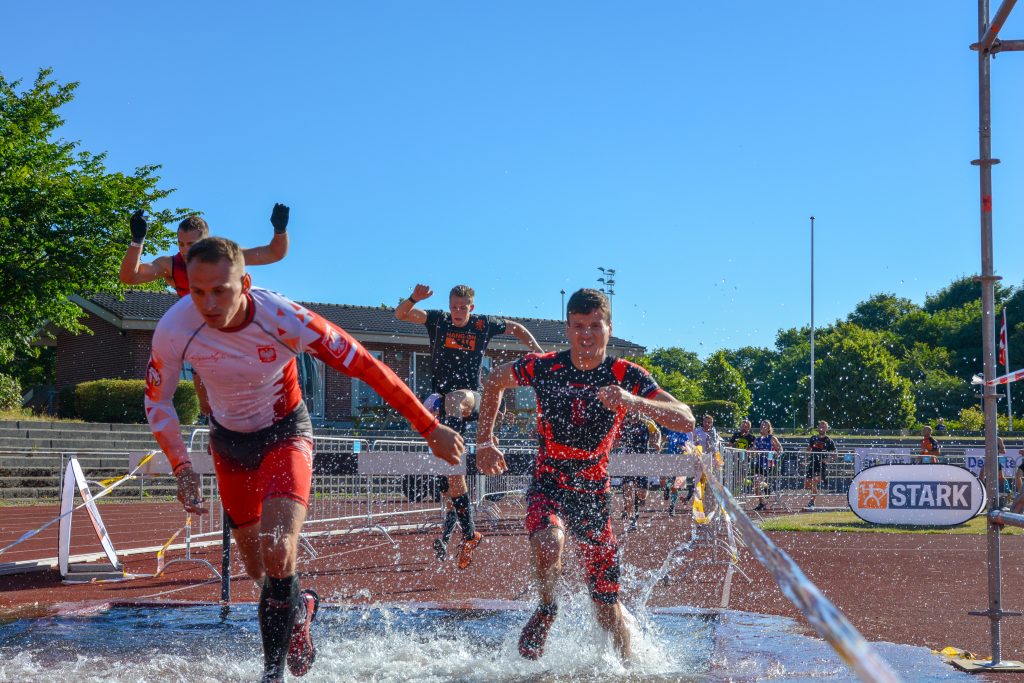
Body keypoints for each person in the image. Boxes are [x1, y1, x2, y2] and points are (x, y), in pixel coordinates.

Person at [144, 237, 463, 683]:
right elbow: (157, 402)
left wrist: (429, 427)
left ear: (246, 283)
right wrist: (181, 467)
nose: (209, 304)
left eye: (221, 290)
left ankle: (271, 674)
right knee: (258, 569)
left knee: (278, 548)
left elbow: (365, 365)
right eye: (198, 291)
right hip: (229, 444)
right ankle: (301, 609)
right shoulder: (175, 327)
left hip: (285, 433)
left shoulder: (283, 317)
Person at [474, 288, 695, 661]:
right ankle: (546, 608)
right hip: (550, 482)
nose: (587, 335)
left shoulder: (625, 374)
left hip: (593, 493)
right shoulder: (545, 366)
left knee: (607, 607)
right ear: (568, 328)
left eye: (595, 326)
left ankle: (629, 667)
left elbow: (686, 419)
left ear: (609, 328)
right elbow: (495, 379)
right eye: (579, 326)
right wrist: (485, 442)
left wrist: (631, 401)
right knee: (549, 543)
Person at [395, 283, 543, 569]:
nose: (458, 313)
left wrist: (536, 351)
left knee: (455, 398)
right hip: (443, 405)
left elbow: (515, 328)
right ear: (449, 306)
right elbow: (401, 315)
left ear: (471, 308)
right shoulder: (438, 320)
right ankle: (469, 532)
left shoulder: (481, 324)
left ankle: (453, 453)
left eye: (463, 308)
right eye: (454, 308)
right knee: (450, 481)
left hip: (472, 398)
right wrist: (414, 298)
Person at [121, 206, 290, 416]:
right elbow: (130, 277)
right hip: (206, 335)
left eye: (191, 244)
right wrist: (137, 240)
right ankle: (215, 431)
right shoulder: (171, 265)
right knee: (205, 395)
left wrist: (280, 230)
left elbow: (273, 253)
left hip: (239, 331)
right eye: (180, 244)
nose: (184, 250)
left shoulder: (226, 256)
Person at [616, 412, 662, 530]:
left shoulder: (647, 423)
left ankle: (636, 503)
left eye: (635, 410)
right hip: (628, 461)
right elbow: (615, 437)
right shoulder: (624, 423)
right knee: (628, 489)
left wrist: (657, 442)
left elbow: (657, 432)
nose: (633, 413)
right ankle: (633, 519)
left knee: (641, 495)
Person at [751, 420, 783, 512]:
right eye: (762, 426)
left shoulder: (772, 438)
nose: (763, 427)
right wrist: (751, 451)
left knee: (758, 482)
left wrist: (777, 453)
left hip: (768, 463)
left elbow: (780, 448)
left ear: (769, 428)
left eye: (765, 426)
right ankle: (762, 502)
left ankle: (768, 488)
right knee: (755, 486)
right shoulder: (757, 439)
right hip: (759, 463)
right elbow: (754, 450)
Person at [804, 420, 837, 509]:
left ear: (827, 428)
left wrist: (828, 459)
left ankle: (812, 501)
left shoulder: (829, 440)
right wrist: (806, 459)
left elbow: (835, 455)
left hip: (821, 465)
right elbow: (808, 449)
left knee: (815, 481)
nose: (821, 428)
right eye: (820, 426)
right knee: (808, 483)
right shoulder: (813, 438)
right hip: (812, 463)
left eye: (824, 426)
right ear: (818, 428)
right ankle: (814, 493)